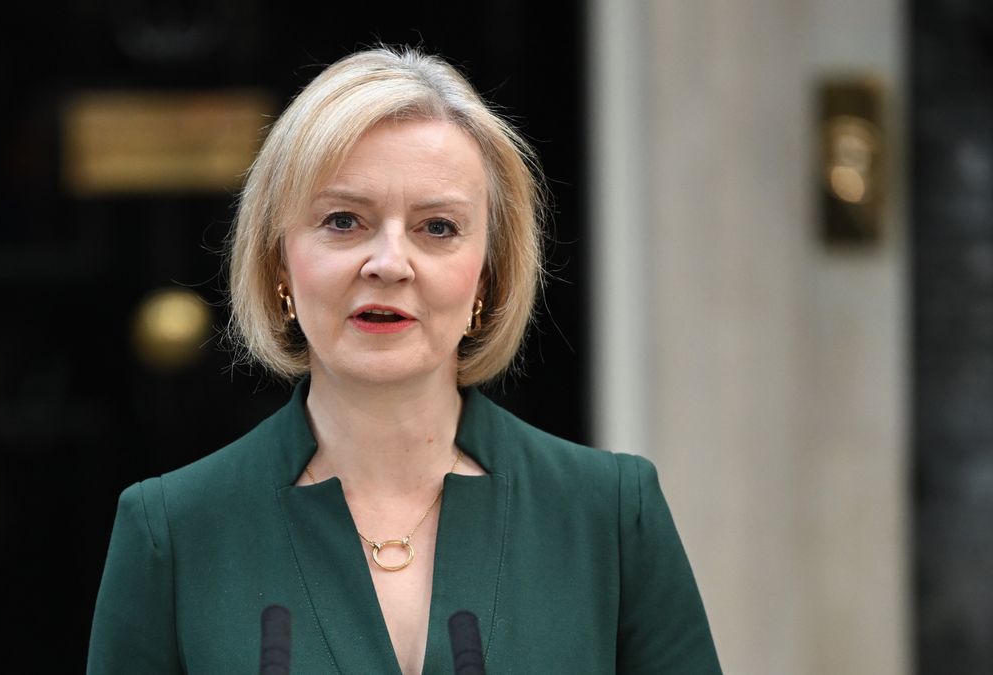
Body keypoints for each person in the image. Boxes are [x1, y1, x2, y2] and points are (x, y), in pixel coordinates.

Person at [87, 46, 721, 675]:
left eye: (437, 227)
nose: (389, 263)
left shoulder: (608, 514)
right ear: (279, 262)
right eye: (343, 220)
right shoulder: (171, 531)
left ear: (487, 276)